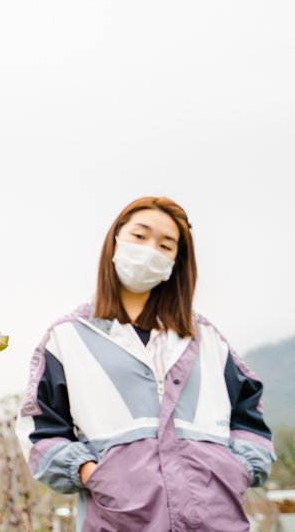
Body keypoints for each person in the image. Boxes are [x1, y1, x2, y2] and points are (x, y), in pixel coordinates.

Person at [16, 196, 274, 530]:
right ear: (116, 240)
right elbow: (40, 431)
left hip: (215, 521)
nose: (151, 250)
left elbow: (251, 417)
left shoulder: (207, 340)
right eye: (140, 236)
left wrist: (237, 469)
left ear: (176, 262)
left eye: (166, 245)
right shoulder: (68, 338)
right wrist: (91, 472)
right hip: (117, 521)